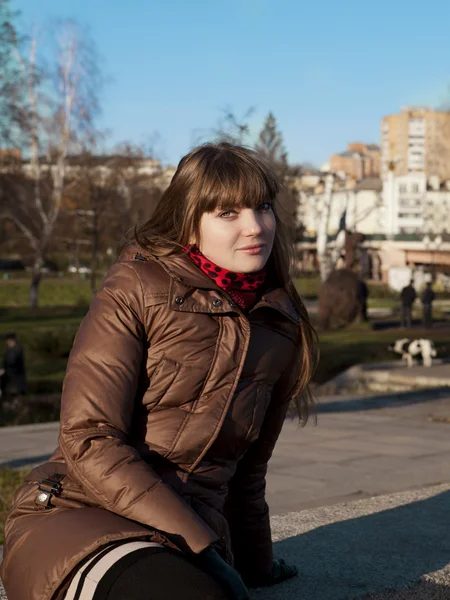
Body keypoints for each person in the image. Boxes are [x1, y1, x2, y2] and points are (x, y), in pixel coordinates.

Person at [1, 143, 318, 600]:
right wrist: (204, 549)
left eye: (262, 207)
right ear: (189, 221)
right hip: (84, 515)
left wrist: (257, 565)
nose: (255, 227)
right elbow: (88, 437)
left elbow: (248, 472)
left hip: (187, 537)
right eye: (228, 212)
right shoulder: (135, 288)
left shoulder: (279, 324)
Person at [0, 333, 27, 400]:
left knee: (14, 390)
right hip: (11, 373)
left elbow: (13, 361)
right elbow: (6, 361)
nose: (6, 342)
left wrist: (4, 370)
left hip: (15, 374)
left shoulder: (17, 348)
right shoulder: (9, 348)